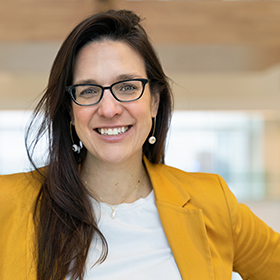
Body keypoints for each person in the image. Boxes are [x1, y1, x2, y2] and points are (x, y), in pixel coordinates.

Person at [0, 9, 279, 280]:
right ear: (70, 112)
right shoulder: (8, 202)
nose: (109, 109)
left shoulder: (212, 202)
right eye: (88, 91)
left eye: (127, 87)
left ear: (154, 102)